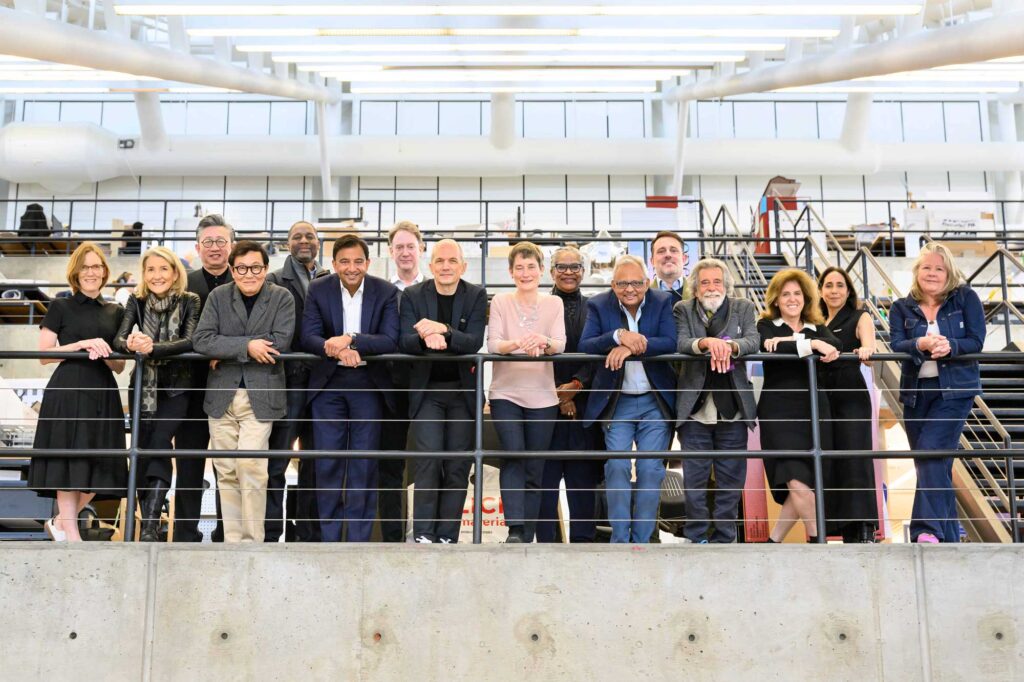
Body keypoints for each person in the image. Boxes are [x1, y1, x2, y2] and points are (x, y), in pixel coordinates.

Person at [193, 240, 295, 543]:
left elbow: (280, 341)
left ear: (265, 269)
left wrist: (226, 348)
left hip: (261, 394)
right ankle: (232, 542)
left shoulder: (282, 297)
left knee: (251, 466)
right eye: (241, 268)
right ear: (232, 270)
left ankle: (253, 541)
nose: (249, 274)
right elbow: (202, 339)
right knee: (225, 470)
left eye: (255, 268)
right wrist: (247, 346)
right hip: (222, 395)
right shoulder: (217, 296)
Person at [302, 234, 399, 542]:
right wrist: (337, 349)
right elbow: (308, 335)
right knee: (327, 463)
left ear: (368, 263)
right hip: (329, 385)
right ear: (333, 264)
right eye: (344, 261)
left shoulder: (385, 291)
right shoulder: (318, 289)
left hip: (368, 386)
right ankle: (330, 540)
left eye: (358, 261)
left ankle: (358, 540)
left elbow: (389, 338)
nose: (351, 267)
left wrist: (352, 339)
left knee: (363, 465)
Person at [28, 242, 126, 542]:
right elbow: (44, 355)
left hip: (102, 392)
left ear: (104, 271)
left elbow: (119, 367)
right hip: (68, 390)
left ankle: (60, 521)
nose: (91, 272)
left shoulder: (116, 311)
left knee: (103, 464)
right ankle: (70, 531)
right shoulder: (61, 306)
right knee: (67, 460)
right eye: (85, 267)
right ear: (76, 272)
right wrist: (82, 345)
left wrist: (106, 350)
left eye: (97, 266)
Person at [889, 243, 985, 544]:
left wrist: (950, 347)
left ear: (949, 274)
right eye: (926, 267)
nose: (932, 273)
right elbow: (897, 343)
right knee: (933, 463)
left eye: (939, 268)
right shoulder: (900, 307)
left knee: (930, 452)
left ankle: (925, 529)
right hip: (916, 394)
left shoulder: (965, 298)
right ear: (918, 272)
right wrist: (920, 344)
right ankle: (949, 537)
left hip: (954, 392)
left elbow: (976, 340)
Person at [579, 255, 677, 544]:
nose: (630, 289)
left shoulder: (662, 302)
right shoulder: (598, 304)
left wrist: (633, 347)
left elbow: (669, 341)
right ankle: (620, 540)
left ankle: (643, 541)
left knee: (650, 468)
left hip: (653, 402)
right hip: (617, 402)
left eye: (636, 282)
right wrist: (617, 335)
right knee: (617, 466)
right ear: (613, 284)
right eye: (623, 283)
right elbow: (586, 344)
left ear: (647, 283)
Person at [399, 239, 487, 544]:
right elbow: (404, 341)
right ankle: (424, 533)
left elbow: (473, 341)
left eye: (452, 261)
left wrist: (443, 330)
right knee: (428, 461)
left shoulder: (476, 294)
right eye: (440, 261)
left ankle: (448, 535)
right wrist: (425, 338)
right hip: (427, 394)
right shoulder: (412, 295)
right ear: (430, 265)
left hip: (463, 394)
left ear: (463, 266)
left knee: (458, 465)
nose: (446, 266)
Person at [113, 246, 200, 542]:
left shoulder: (190, 300)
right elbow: (119, 338)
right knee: (140, 450)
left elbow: (191, 340)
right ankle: (148, 521)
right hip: (142, 386)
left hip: (177, 388)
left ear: (175, 272)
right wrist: (132, 342)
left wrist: (153, 347)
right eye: (151, 269)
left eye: (163, 269)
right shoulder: (136, 301)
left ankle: (150, 526)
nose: (157, 275)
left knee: (160, 445)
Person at [675, 258, 760, 544]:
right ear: (695, 288)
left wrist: (731, 346)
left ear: (726, 285)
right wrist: (706, 344)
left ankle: (726, 538)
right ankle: (696, 536)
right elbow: (681, 342)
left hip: (733, 410)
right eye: (705, 282)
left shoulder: (744, 307)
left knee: (731, 480)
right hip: (695, 411)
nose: (711, 287)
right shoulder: (682, 309)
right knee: (694, 481)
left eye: (717, 282)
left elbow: (753, 340)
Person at [487, 241, 567, 543]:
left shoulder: (553, 303)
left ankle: (528, 532)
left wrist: (542, 340)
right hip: (506, 393)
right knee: (514, 456)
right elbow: (494, 344)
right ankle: (515, 529)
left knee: (535, 466)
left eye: (531, 266)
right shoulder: (500, 302)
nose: (525, 272)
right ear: (510, 272)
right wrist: (520, 343)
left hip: (543, 396)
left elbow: (560, 343)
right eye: (518, 267)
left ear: (541, 270)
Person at [757, 268, 841, 544]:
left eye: (797, 293)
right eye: (785, 294)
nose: (792, 299)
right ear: (776, 300)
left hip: (814, 411)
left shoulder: (819, 327)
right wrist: (812, 344)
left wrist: (795, 342)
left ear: (805, 298)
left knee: (804, 482)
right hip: (779, 412)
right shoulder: (766, 326)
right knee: (795, 479)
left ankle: (773, 541)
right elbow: (769, 349)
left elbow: (835, 346)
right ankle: (820, 542)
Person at [265, 220, 329, 542]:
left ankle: (307, 532)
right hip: (287, 381)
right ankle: (272, 530)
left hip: (321, 383)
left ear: (319, 242)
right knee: (277, 460)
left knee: (314, 463)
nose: (304, 241)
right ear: (286, 243)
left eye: (310, 236)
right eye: (297, 237)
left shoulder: (330, 280)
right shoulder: (274, 280)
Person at [536, 246, 603, 544]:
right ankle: (545, 549)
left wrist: (575, 387)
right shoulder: (537, 306)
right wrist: (558, 394)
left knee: (582, 486)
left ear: (583, 272)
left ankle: (585, 548)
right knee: (544, 486)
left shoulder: (596, 308)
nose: (568, 272)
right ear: (551, 272)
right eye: (561, 267)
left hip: (584, 407)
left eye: (575, 266)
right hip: (543, 406)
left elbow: (598, 353)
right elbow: (535, 352)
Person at [174, 214, 234, 542]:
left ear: (231, 246)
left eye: (220, 241)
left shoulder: (244, 282)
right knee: (189, 467)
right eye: (208, 242)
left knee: (229, 467)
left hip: (233, 391)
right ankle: (185, 535)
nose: (214, 248)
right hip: (191, 389)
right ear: (197, 247)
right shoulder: (184, 284)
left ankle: (227, 534)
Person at [818, 266, 879, 544]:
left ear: (848, 290)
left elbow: (870, 350)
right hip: (821, 396)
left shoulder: (859, 316)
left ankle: (863, 528)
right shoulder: (814, 321)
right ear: (820, 290)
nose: (834, 290)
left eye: (839, 285)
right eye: (828, 285)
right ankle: (839, 528)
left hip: (850, 395)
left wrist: (866, 351)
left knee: (856, 460)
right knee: (829, 461)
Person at [380, 220, 427, 542]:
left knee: (429, 464)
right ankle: (393, 537)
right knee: (390, 467)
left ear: (421, 249)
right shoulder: (382, 291)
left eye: (411, 246)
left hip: (428, 386)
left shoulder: (437, 286)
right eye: (399, 247)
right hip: (389, 387)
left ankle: (427, 534)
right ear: (390, 252)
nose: (405, 252)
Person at [649, 230, 690, 303]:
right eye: (661, 251)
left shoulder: (699, 293)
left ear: (684, 259)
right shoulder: (642, 296)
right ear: (652, 261)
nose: (668, 255)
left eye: (673, 250)